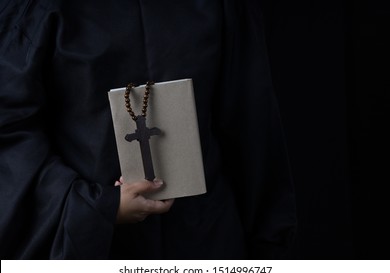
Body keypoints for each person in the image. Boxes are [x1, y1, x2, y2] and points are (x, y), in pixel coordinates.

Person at [0, 0, 296, 259]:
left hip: (206, 235)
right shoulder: (40, 8)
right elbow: (11, 129)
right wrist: (94, 207)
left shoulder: (222, 6)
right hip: (95, 241)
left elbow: (249, 123)